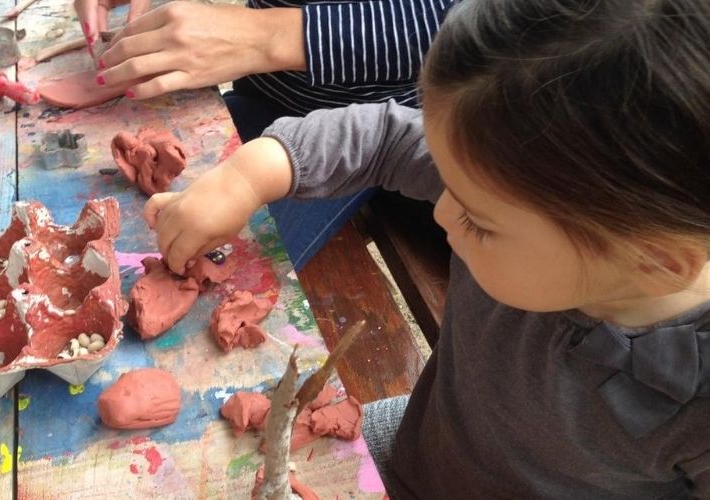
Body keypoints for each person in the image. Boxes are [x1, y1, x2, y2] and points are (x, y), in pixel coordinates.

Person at [143, 0, 710, 496]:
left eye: (478, 221)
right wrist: (249, 175)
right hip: (417, 456)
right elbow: (386, 138)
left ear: (655, 263)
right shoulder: (524, 189)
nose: (441, 210)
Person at [74, 0, 456, 270]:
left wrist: (270, 35)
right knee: (113, 246)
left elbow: (480, 21)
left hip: (362, 137)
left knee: (194, 262)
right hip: (263, 97)